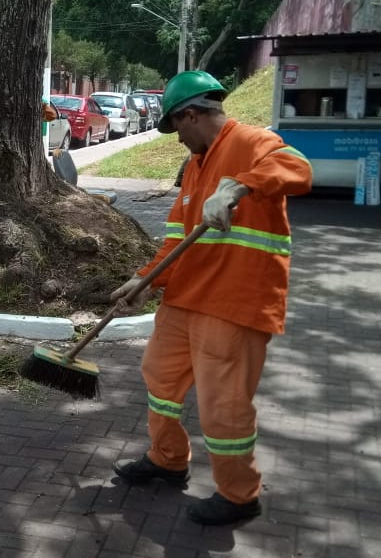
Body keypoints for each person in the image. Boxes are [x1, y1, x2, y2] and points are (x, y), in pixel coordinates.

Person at [109, 70, 313, 526]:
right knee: (159, 379)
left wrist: (239, 186)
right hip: (186, 299)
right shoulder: (196, 166)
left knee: (224, 408)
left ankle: (239, 495)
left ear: (193, 114)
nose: (177, 137)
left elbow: (299, 169)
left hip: (235, 303)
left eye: (176, 127)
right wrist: (144, 280)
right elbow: (176, 240)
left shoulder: (253, 142)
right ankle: (167, 459)